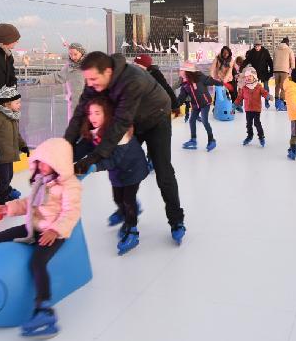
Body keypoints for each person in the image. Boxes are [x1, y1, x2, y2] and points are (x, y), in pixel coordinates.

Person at [64, 51, 188, 245]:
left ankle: (176, 220)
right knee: (120, 165)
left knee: (163, 170)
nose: (90, 84)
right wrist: (66, 146)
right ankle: (128, 208)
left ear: (107, 71)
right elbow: (80, 113)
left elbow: (120, 123)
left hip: (156, 119)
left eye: (93, 79)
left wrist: (94, 157)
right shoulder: (95, 81)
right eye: (87, 79)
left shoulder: (132, 80)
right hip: (132, 121)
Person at [0, 138, 81, 337]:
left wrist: (55, 230)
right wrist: (8, 208)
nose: (40, 166)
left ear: (59, 163)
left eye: (45, 162)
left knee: (37, 262)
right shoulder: (41, 181)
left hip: (53, 232)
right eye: (38, 161)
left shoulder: (70, 186)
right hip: (33, 227)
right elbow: (29, 203)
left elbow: (71, 212)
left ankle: (44, 309)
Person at [74, 96, 151, 255]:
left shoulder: (118, 132)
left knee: (128, 199)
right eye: (90, 113)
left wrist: (93, 167)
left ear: (107, 114)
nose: (92, 117)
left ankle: (132, 231)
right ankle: (128, 210)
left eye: (97, 113)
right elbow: (81, 150)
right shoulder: (93, 130)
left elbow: (113, 159)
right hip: (117, 172)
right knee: (117, 198)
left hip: (132, 168)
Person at [175, 61, 222, 151]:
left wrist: (221, 83)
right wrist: (174, 105)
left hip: (205, 103)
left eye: (181, 70)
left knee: (204, 121)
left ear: (187, 71)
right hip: (195, 105)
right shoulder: (184, 84)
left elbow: (210, 80)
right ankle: (193, 140)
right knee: (192, 120)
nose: (179, 71)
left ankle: (211, 140)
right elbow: (181, 98)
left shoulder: (200, 77)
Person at [235, 65, 269, 146]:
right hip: (248, 109)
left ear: (254, 76)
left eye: (250, 76)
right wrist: (234, 105)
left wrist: (267, 96)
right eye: (246, 76)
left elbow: (264, 92)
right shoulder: (244, 88)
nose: (248, 78)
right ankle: (249, 136)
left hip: (256, 109)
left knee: (257, 123)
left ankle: (261, 137)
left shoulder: (258, 86)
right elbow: (239, 98)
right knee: (249, 124)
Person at [271, 37, 295, 109]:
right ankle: (281, 103)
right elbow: (292, 60)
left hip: (276, 70)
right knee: (283, 87)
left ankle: (276, 102)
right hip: (284, 70)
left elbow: (274, 59)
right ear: (287, 43)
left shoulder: (276, 49)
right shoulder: (289, 50)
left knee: (277, 86)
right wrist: (293, 68)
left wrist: (274, 68)